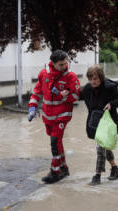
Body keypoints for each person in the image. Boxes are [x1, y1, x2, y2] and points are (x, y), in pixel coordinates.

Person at [28, 50, 81, 184]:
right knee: (57, 142)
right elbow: (37, 93)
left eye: (65, 63)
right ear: (53, 63)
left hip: (63, 114)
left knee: (54, 140)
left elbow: (76, 96)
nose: (64, 66)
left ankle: (55, 172)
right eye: (61, 64)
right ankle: (64, 168)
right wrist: (32, 107)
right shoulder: (44, 74)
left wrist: (65, 96)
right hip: (48, 115)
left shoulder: (71, 76)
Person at [79, 64, 118, 186]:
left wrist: (111, 104)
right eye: (90, 79)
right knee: (105, 146)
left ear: (100, 78)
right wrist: (67, 93)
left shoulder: (109, 88)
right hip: (95, 123)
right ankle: (115, 170)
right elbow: (79, 95)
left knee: (100, 148)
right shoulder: (88, 88)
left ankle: (97, 176)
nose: (92, 81)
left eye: (94, 79)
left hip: (108, 124)